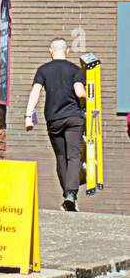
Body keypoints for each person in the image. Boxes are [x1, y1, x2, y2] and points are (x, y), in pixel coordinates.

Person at [25, 38, 87, 211]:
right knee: (73, 155)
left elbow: (35, 92)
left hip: (54, 119)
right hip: (74, 118)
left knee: (61, 157)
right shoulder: (74, 70)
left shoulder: (43, 70)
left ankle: (67, 193)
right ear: (67, 51)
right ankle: (71, 195)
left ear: (50, 51)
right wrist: (88, 95)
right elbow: (80, 93)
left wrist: (28, 115)